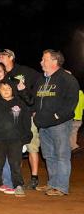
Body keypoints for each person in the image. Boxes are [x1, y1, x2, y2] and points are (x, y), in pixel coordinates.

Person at [33, 49, 79, 196]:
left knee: (61, 155)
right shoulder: (41, 79)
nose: (41, 62)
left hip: (60, 124)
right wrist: (35, 114)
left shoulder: (67, 79)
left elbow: (72, 102)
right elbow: (35, 99)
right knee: (48, 155)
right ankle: (52, 183)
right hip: (43, 124)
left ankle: (61, 187)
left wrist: (57, 116)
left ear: (54, 61)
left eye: (44, 59)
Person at [0, 49, 42, 190]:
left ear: (11, 57)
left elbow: (42, 79)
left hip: (27, 114)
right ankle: (16, 178)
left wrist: (34, 105)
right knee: (14, 148)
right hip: (10, 119)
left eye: (2, 55)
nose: (0, 57)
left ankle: (34, 177)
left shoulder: (24, 70)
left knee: (32, 147)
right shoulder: (2, 75)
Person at [0, 81, 33, 197]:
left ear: (13, 90)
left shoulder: (20, 104)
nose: (6, 91)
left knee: (15, 163)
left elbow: (26, 121)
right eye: (3, 88)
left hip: (15, 139)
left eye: (9, 88)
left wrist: (26, 136)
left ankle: (18, 185)